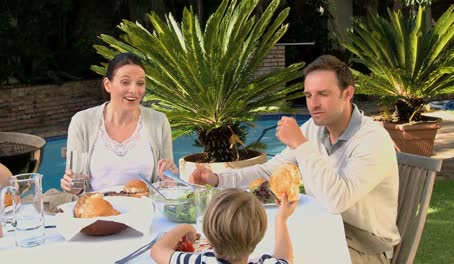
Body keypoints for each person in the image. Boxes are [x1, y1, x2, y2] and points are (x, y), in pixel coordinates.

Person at [190, 55, 400, 263]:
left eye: (323, 94)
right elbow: (268, 171)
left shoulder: (372, 140)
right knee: (258, 250)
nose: (313, 104)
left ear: (347, 93)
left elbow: (337, 201)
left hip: (366, 246)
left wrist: (301, 145)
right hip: (322, 228)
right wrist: (217, 179)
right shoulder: (315, 130)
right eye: (308, 95)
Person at [60, 52, 177, 194]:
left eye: (140, 83)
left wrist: (169, 178)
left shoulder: (159, 122)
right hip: (97, 211)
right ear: (108, 85)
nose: (134, 90)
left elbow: (166, 184)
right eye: (125, 82)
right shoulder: (82, 122)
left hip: (146, 210)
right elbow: (75, 185)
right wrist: (73, 186)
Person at [150, 188, 297, 264]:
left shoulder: (203, 262)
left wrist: (186, 227)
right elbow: (285, 258)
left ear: (209, 239)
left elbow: (157, 251)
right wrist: (281, 219)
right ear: (259, 236)